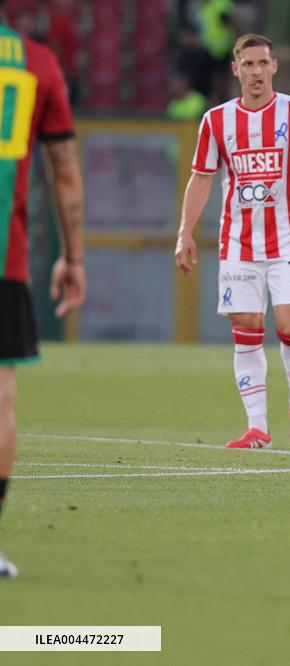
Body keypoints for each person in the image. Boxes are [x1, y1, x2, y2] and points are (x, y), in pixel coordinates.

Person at [174, 33, 290, 451]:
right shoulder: (216, 120)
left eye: (263, 63)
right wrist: (185, 232)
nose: (256, 72)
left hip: (289, 243)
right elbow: (201, 178)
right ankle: (257, 427)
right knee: (245, 326)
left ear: (275, 66)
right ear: (235, 69)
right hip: (238, 244)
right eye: (248, 64)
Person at [0, 1, 86, 579]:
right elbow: (65, 175)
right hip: (4, 261)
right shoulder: (36, 63)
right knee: (0, 401)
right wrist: (74, 256)